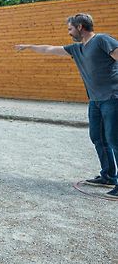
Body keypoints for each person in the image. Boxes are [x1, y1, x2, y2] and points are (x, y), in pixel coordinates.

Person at [15, 13, 118, 198]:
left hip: (113, 98)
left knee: (115, 140)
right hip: (95, 101)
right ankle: (109, 176)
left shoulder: (102, 40)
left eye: (70, 29)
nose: (69, 33)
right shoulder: (77, 49)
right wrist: (29, 46)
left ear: (80, 27)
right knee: (98, 138)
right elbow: (49, 49)